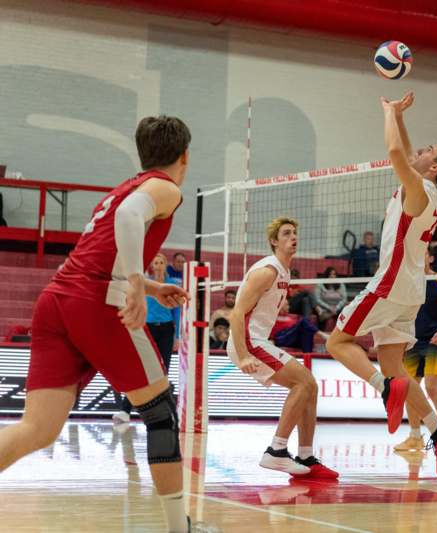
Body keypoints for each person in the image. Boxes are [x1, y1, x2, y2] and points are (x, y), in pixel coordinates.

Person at [0, 116, 196, 532]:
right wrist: (136, 280)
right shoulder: (165, 187)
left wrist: (151, 286)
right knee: (161, 414)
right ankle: (181, 530)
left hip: (57, 299)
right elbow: (128, 219)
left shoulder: (125, 185)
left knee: (36, 429)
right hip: (93, 303)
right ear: (185, 156)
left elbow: (100, 253)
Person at [326, 91, 437, 476]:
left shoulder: (419, 190)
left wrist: (386, 113)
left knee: (336, 342)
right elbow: (404, 149)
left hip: (390, 284)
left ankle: (383, 389)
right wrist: (400, 116)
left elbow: (395, 154)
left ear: (433, 168)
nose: (420, 149)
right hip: (410, 293)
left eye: (428, 150)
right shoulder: (424, 189)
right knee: (394, 366)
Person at [227, 217, 337, 479]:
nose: (293, 237)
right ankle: (276, 452)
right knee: (303, 383)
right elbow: (237, 313)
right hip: (249, 342)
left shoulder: (284, 272)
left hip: (259, 340)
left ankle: (306, 456)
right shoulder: (268, 270)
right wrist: (243, 355)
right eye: (286, 233)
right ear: (274, 241)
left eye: (295, 233)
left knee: (310, 386)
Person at [395, 250, 437, 453]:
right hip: (413, 342)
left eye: (423, 253)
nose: (419, 257)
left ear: (430, 258)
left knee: (433, 388)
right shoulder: (408, 282)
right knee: (410, 389)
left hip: (435, 341)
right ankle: (415, 437)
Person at [113, 252, 182, 424]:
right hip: (148, 328)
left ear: (165, 264)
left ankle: (167, 414)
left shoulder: (171, 284)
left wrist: (177, 336)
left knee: (163, 371)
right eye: (156, 262)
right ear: (152, 265)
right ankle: (125, 411)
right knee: (140, 368)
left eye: (161, 262)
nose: (158, 265)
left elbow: (177, 312)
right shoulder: (146, 285)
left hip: (166, 330)